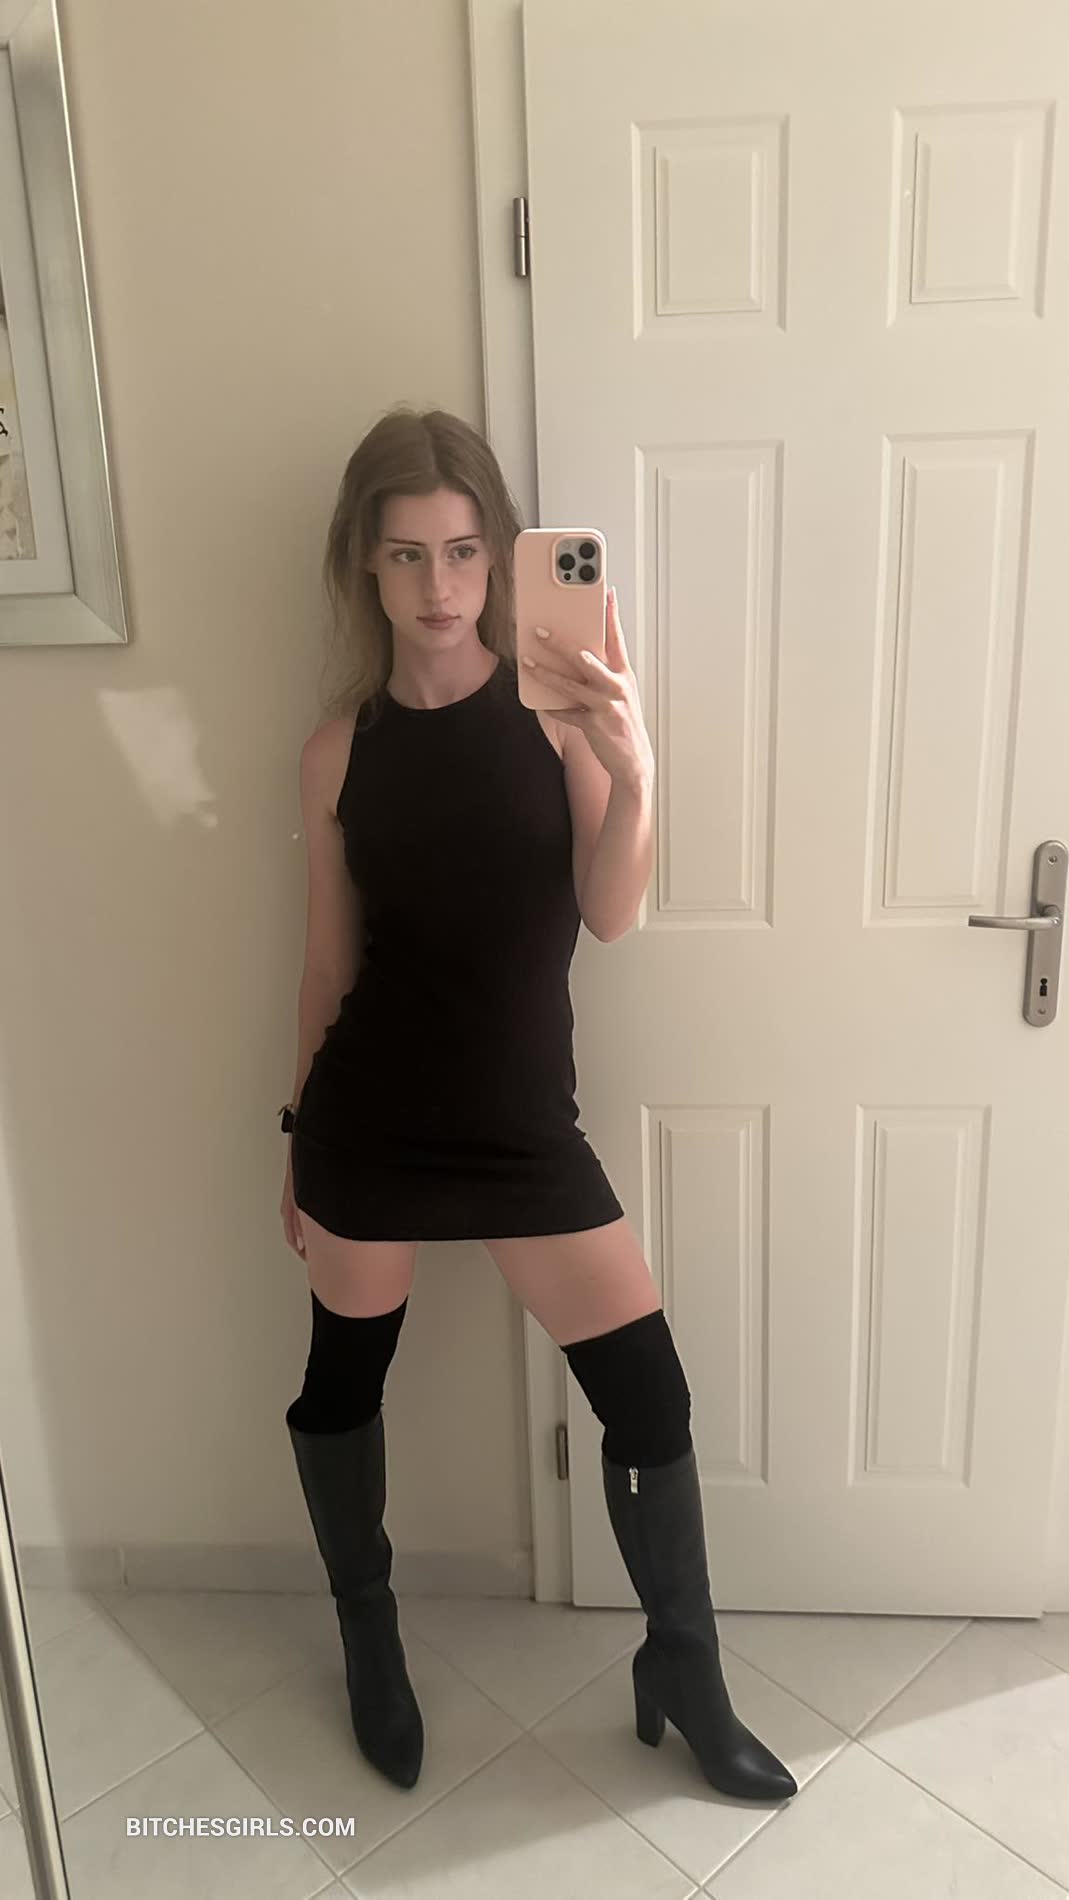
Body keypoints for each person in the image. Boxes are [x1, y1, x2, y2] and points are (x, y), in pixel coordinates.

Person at [278, 405, 797, 1804]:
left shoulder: (552, 715)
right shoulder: (336, 753)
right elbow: (326, 964)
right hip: (367, 1125)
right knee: (342, 1388)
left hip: (522, 1132)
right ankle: (370, 1641)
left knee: (650, 1400)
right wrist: (294, 1141)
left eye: (462, 552)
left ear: (500, 558)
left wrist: (635, 769)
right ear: (365, 563)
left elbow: (609, 914)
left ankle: (683, 1671)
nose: (438, 587)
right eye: (406, 555)